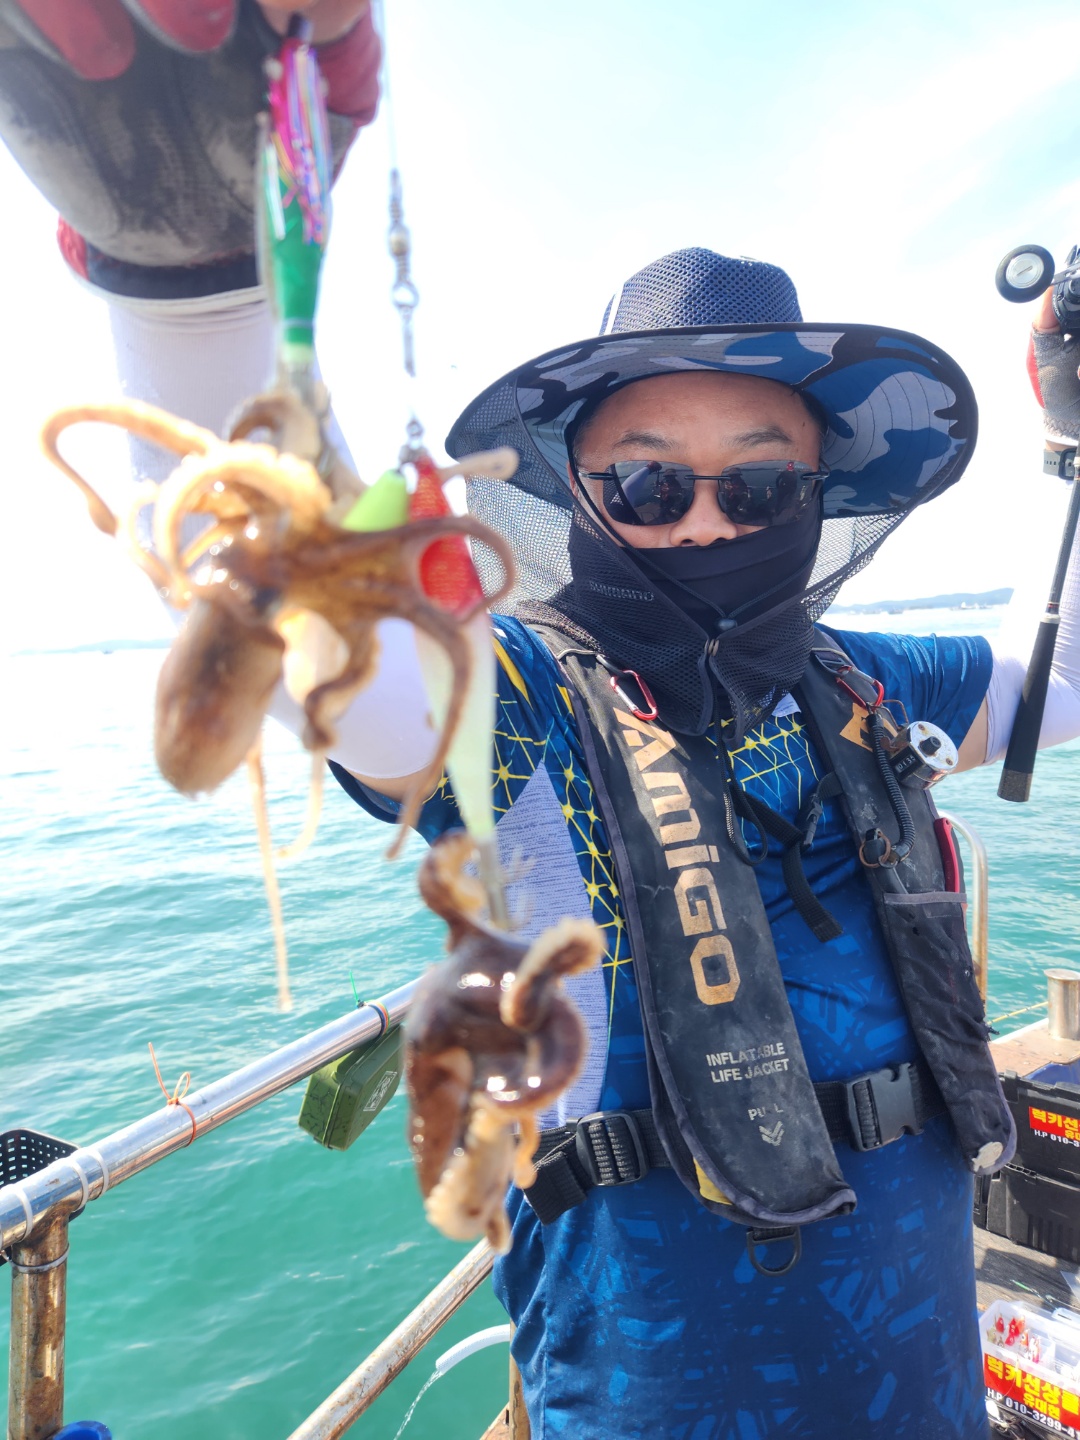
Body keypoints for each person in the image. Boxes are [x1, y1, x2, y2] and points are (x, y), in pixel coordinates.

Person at [5, 8, 1080, 1438]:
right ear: (581, 500)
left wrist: (1070, 434)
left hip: (925, 1389)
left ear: (815, 500)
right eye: (649, 485)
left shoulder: (869, 685)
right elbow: (292, 601)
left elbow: (1061, 674)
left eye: (761, 487)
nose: (706, 525)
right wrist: (185, 271)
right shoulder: (509, 707)